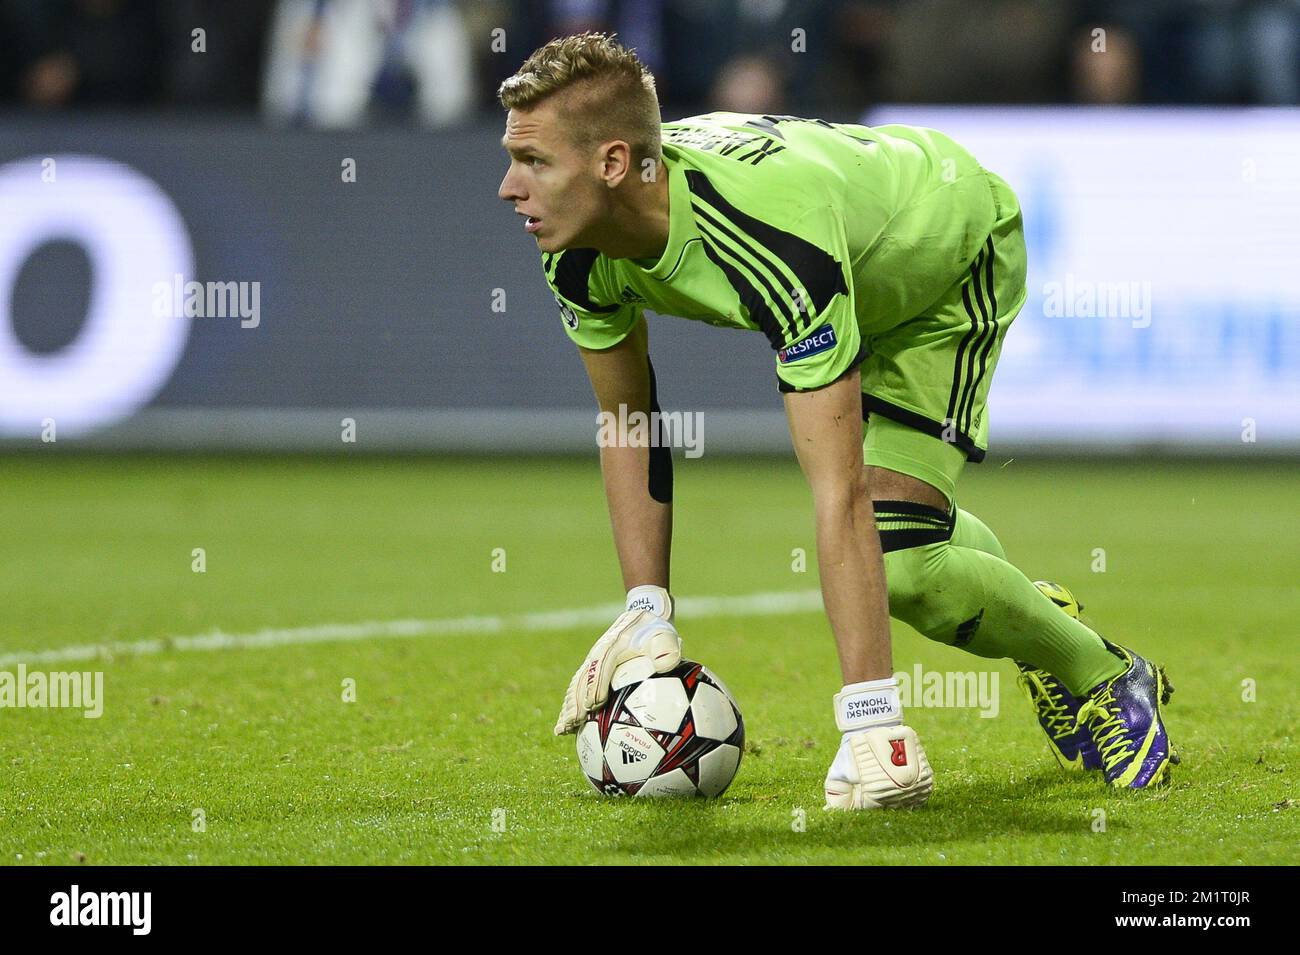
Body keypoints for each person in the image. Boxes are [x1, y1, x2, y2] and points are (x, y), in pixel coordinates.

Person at [495, 32, 1177, 809]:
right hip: (856, 253)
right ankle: (1022, 605)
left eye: (534, 162)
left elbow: (838, 491)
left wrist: (870, 719)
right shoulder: (575, 248)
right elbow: (628, 421)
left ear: (613, 164)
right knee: (911, 540)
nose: (509, 187)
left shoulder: (768, 240)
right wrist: (647, 608)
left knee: (904, 561)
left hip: (943, 262)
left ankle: (1105, 674)